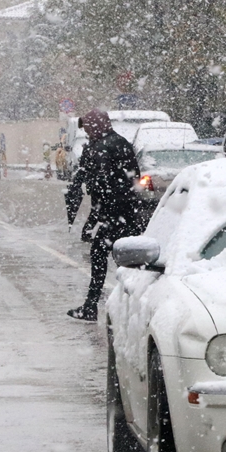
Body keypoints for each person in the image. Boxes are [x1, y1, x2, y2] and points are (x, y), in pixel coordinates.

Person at [65, 110, 143, 321]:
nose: (87, 131)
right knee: (126, 262)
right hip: (128, 211)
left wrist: (100, 209)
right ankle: (131, 307)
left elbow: (101, 182)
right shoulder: (122, 143)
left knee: (104, 257)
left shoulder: (101, 147)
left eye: (88, 127)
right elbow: (134, 177)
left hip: (115, 213)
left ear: (97, 125)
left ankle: (97, 307)